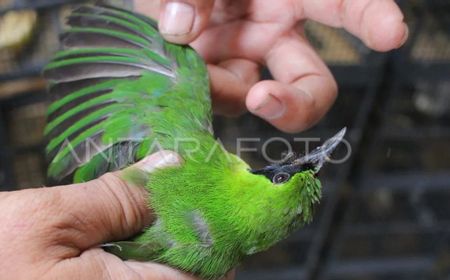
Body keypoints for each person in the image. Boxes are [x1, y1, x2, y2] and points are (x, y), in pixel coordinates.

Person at [0, 0, 408, 279]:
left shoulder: (183, 155)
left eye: (282, 176)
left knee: (182, 67)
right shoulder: (213, 264)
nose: (290, 164)